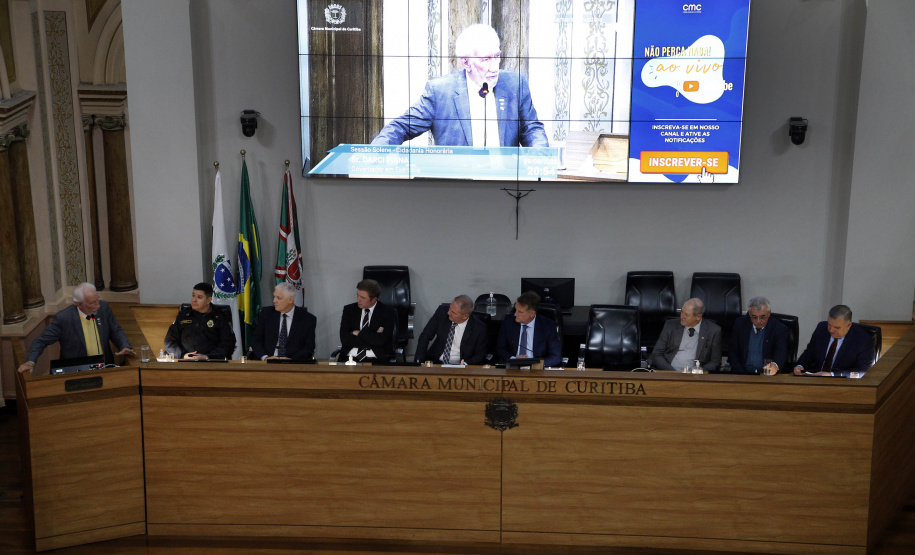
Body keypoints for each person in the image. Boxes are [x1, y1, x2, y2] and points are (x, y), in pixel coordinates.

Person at [371, 24, 548, 148]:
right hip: (458, 187)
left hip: (504, 186)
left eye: (497, 56)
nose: (494, 67)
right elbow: (401, 127)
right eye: (485, 59)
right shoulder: (440, 92)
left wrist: (540, 153)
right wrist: (375, 152)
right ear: (466, 63)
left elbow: (532, 129)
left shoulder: (515, 84)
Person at [18, 282, 134, 373]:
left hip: (105, 367)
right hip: (76, 371)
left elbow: (115, 330)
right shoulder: (64, 318)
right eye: (92, 303)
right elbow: (41, 341)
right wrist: (30, 362)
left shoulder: (104, 308)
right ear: (79, 304)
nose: (97, 305)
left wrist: (124, 345)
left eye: (97, 300)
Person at [793, 304, 874, 378]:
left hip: (843, 384)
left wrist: (832, 375)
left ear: (849, 325)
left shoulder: (863, 340)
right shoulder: (821, 328)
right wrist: (800, 366)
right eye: (829, 325)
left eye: (837, 327)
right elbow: (809, 353)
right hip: (815, 379)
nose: (831, 330)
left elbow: (862, 371)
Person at [164, 282, 236, 360]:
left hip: (211, 363)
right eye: (193, 295)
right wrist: (182, 355)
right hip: (185, 361)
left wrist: (207, 357)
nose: (194, 300)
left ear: (209, 300)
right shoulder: (183, 315)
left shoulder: (220, 317)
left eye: (199, 297)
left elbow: (228, 344)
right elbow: (169, 341)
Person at [648, 298, 722, 372]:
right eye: (682, 312)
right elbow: (657, 354)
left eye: (686, 315)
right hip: (669, 372)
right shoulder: (670, 325)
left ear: (698, 317)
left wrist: (698, 371)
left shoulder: (713, 331)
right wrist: (672, 372)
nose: (682, 317)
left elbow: (715, 362)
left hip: (695, 377)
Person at [414, 295, 488, 365]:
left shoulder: (479, 328)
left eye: (453, 312)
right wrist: (419, 362)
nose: (448, 313)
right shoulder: (442, 312)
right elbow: (425, 336)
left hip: (461, 365)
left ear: (465, 316)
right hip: (436, 361)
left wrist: (465, 364)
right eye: (450, 308)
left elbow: (480, 354)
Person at [251, 282, 317, 361]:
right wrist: (265, 358)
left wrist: (291, 360)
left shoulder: (308, 319)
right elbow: (256, 340)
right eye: (274, 297)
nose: (274, 301)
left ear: (290, 300)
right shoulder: (266, 314)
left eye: (278, 298)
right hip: (268, 362)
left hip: (294, 364)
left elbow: (309, 347)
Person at [496, 291, 562, 367]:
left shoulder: (548, 325)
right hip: (513, 367)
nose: (515, 314)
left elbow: (556, 356)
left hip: (537, 370)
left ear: (532, 314)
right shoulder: (508, 321)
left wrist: (535, 365)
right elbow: (500, 349)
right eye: (516, 309)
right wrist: (513, 359)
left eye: (520, 312)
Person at [339, 279, 397, 362]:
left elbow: (382, 340)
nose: (358, 300)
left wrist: (358, 333)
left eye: (362, 298)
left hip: (375, 357)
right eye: (358, 295)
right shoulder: (349, 310)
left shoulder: (387, 312)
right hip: (349, 356)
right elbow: (344, 338)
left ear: (373, 299)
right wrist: (372, 338)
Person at [727, 296, 789, 375]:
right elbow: (733, 352)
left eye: (762, 317)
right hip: (741, 373)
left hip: (767, 375)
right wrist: (741, 373)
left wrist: (775, 365)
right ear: (749, 313)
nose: (758, 321)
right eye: (754, 317)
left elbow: (781, 351)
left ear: (769, 313)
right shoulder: (739, 324)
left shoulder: (779, 328)